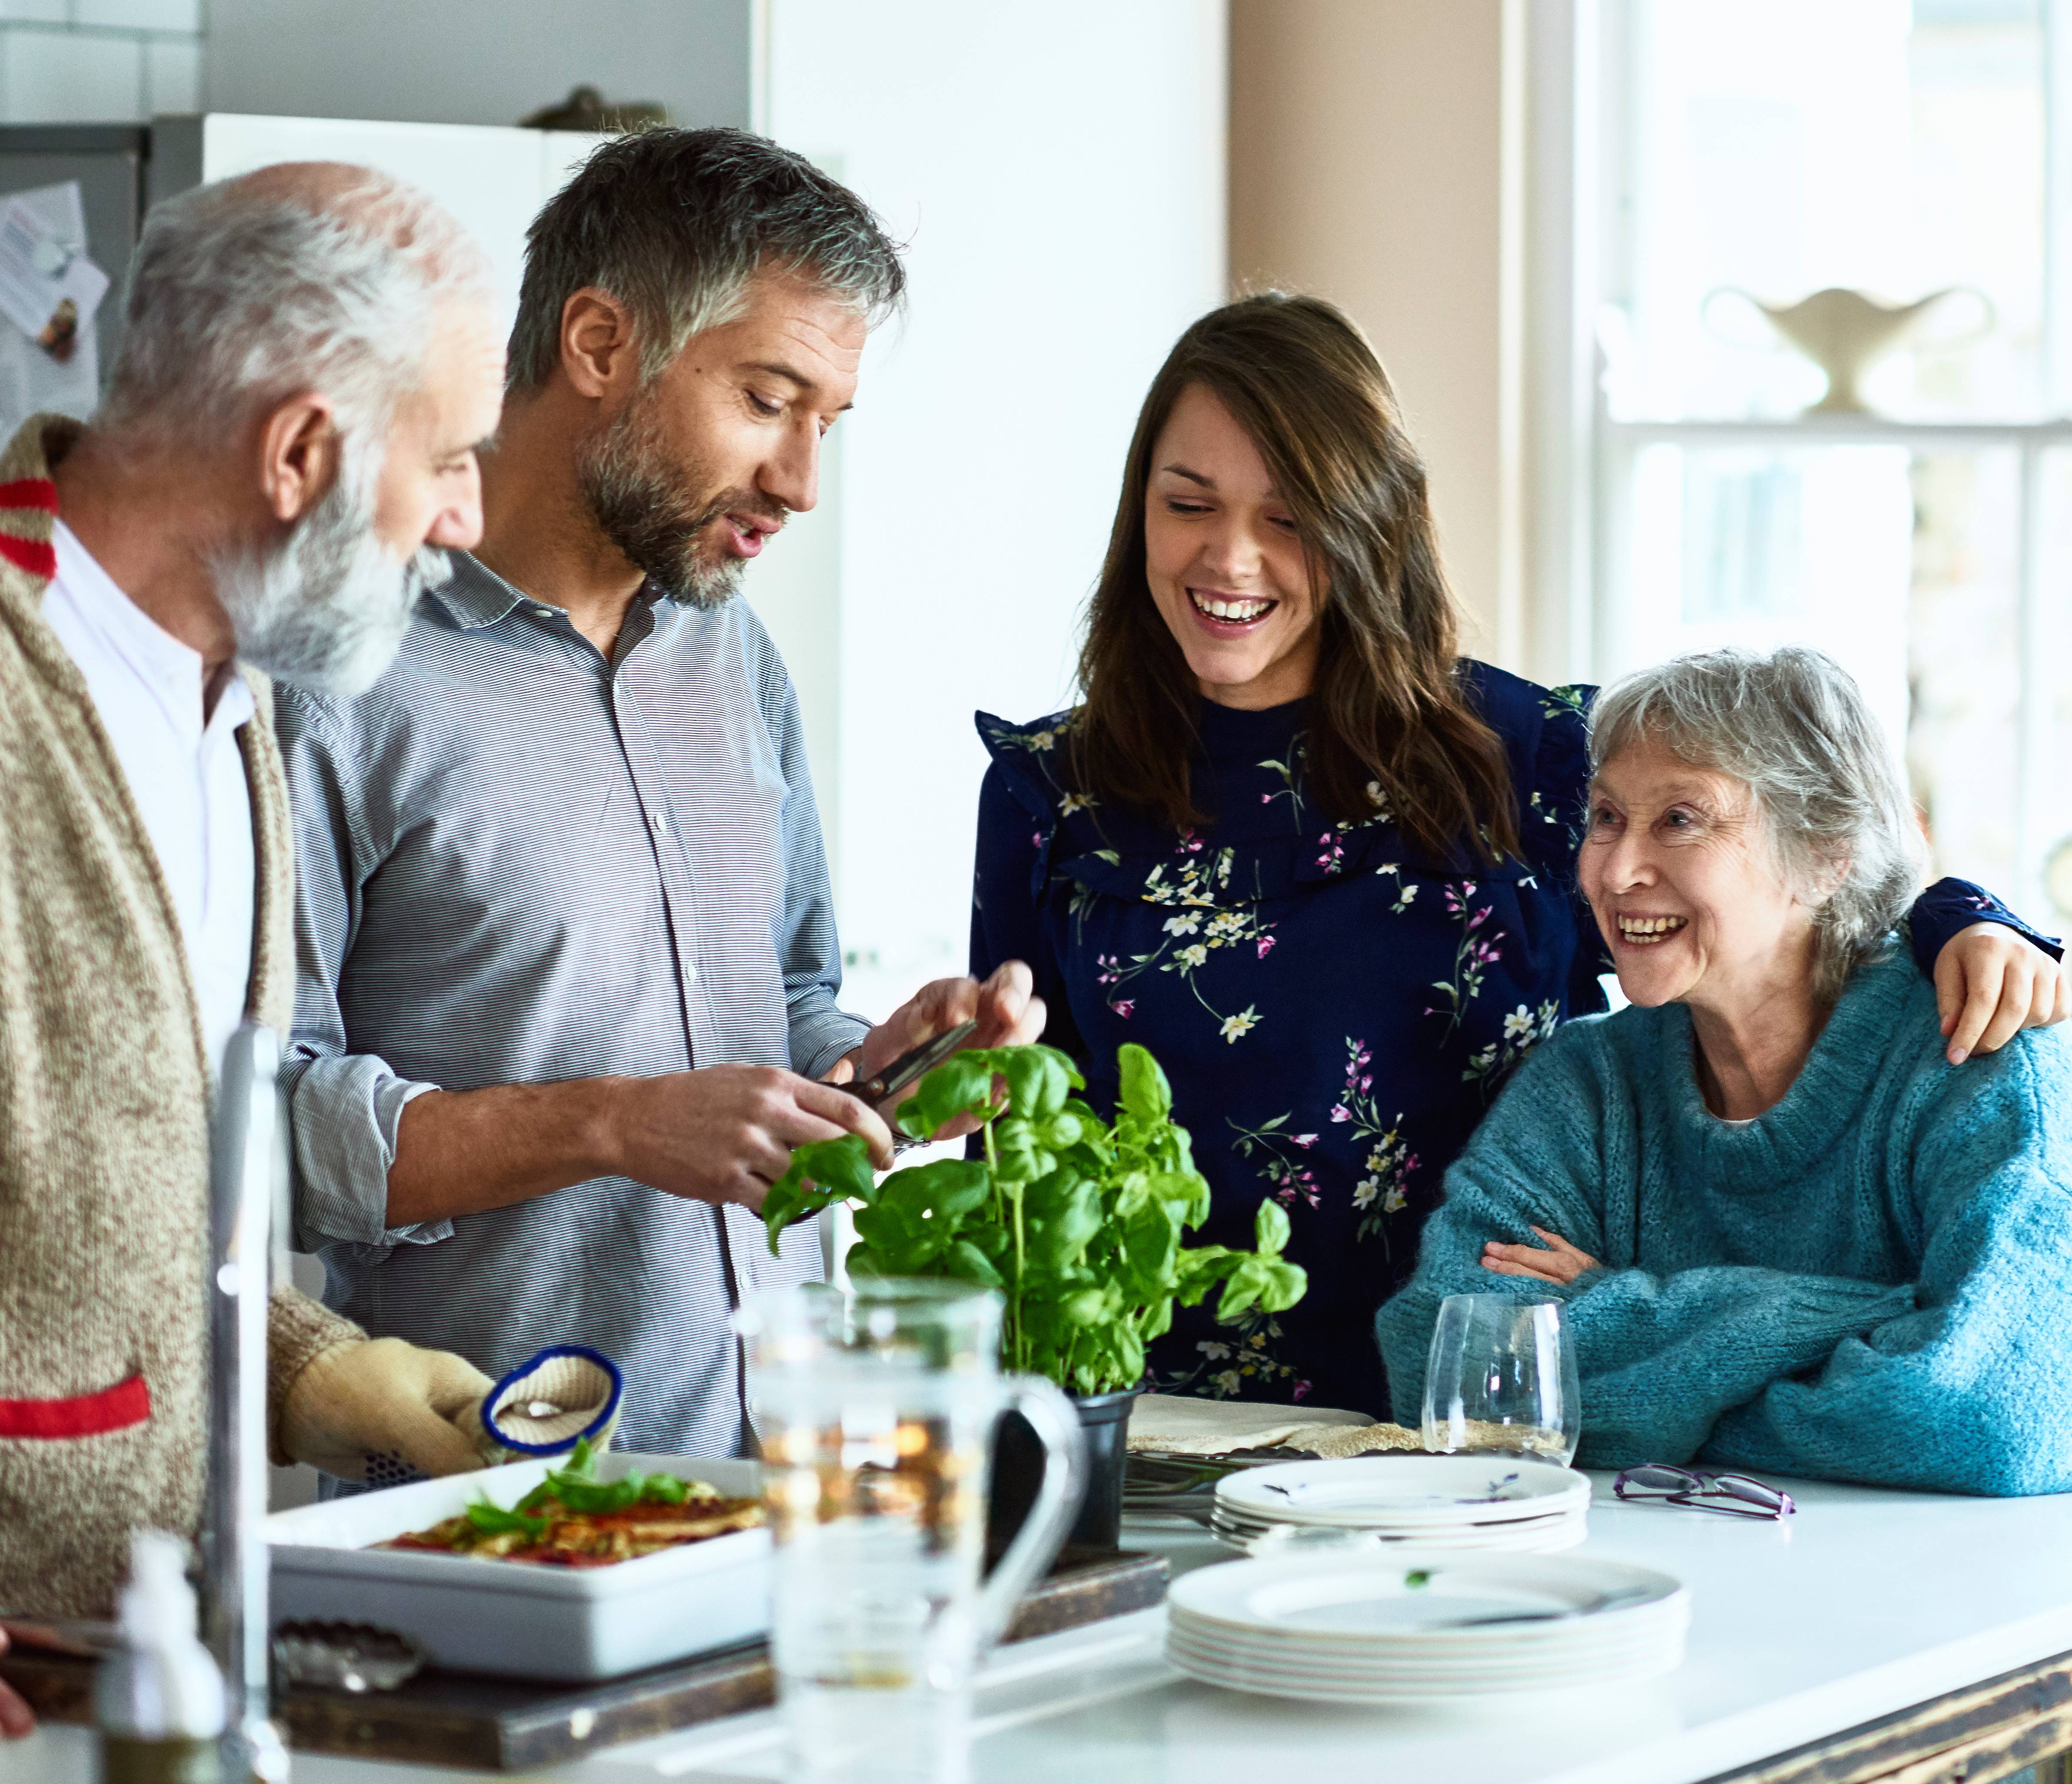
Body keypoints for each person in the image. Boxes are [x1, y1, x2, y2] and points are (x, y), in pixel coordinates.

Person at [970, 293, 2066, 1417]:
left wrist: (1969, 915)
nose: (1230, 555)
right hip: (1136, 1417)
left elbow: (1770, 878)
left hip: (1467, 1425)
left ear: (1366, 521)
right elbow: (1009, 1148)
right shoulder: (1049, 794)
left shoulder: (1522, 758)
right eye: (1186, 502)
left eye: (1290, 515)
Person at [277, 128, 1042, 1464]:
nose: (801, 483)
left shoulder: (733, 655)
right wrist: (615, 1121)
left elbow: (784, 1008)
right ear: (598, 344)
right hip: (489, 1509)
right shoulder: (332, 672)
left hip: (785, 1481)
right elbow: (264, 1128)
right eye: (766, 399)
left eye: (827, 424)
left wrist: (886, 1074)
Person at [0, 163, 510, 1730]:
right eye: (449, 457)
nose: (467, 519)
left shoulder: (242, 698)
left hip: (151, 1675)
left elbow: (101, 1203)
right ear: (298, 451)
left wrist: (306, 1360)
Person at [1376, 647, 2072, 1493]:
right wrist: (1875, 1314)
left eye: (1679, 819)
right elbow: (1446, 1369)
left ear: (1823, 854)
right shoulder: (1589, 1081)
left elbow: (1993, 1410)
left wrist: (1626, 1309)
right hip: (1653, 1583)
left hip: (1938, 1607)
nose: (1617, 869)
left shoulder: (1976, 1053)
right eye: (1604, 815)